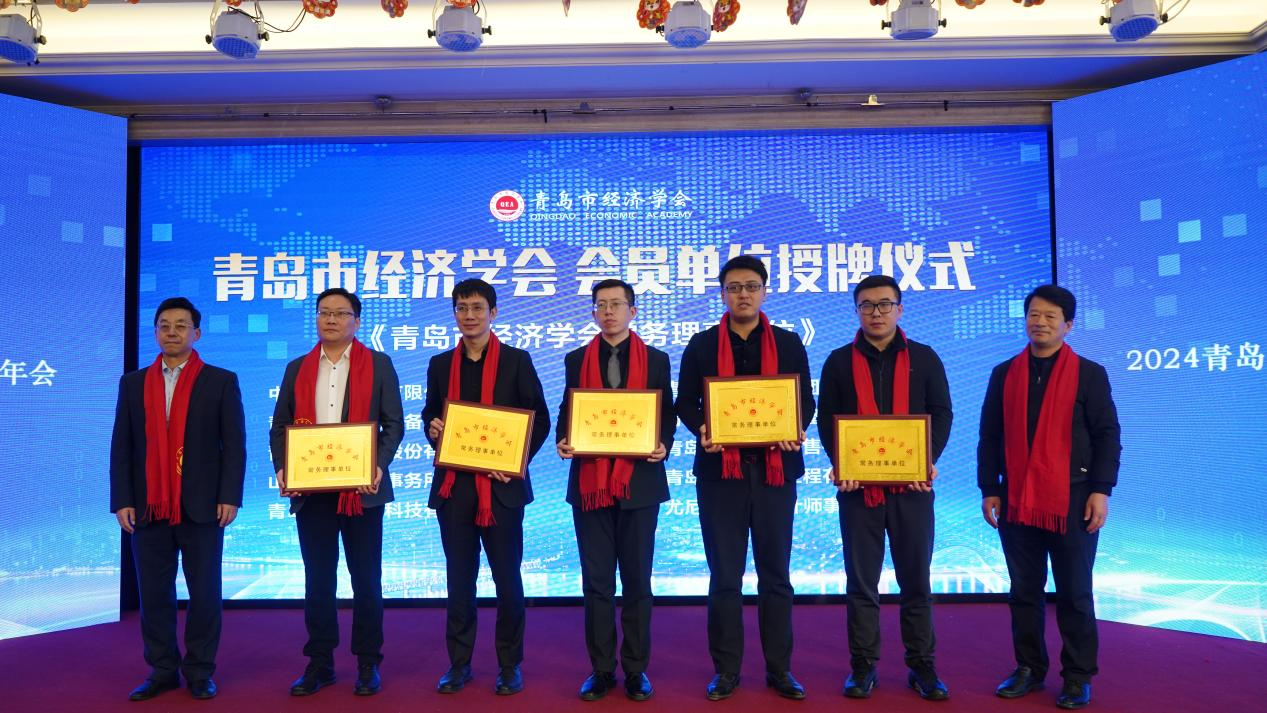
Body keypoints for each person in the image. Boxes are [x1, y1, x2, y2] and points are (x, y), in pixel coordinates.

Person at [675, 255, 815, 701]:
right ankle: (727, 671)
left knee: (776, 575)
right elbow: (685, 401)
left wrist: (794, 427)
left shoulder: (789, 343)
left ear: (764, 292)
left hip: (775, 473)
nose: (743, 295)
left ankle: (780, 670)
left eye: (751, 286)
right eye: (734, 287)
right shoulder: (701, 344)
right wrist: (703, 427)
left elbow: (806, 401)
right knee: (725, 577)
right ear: (722, 294)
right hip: (721, 475)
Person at [977, 284, 1121, 711]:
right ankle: (1028, 668)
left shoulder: (1089, 374)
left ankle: (1077, 677)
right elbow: (990, 435)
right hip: (1017, 498)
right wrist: (990, 488)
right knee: (1024, 590)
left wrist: (1101, 491)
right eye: (1033, 315)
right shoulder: (1004, 373)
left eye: (1050, 316)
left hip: (1073, 500)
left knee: (1074, 592)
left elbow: (1107, 435)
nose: (1039, 322)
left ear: (1068, 325)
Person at [817, 274, 953, 701]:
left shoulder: (924, 358)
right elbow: (827, 419)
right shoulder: (838, 361)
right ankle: (863, 667)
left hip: (912, 489)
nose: (876, 313)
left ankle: (922, 666)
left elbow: (941, 413)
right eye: (867, 305)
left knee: (916, 581)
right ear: (856, 311)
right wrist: (842, 463)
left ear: (900, 308)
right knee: (862, 583)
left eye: (884, 304)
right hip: (858, 491)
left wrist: (925, 459)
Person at [110, 296, 246, 701]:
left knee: (204, 594)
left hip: (202, 505)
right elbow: (122, 446)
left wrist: (230, 496)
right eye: (165, 325)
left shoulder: (220, 381)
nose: (172, 332)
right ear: (155, 332)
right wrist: (122, 499)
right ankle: (162, 670)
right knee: (154, 594)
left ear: (196, 333)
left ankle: (200, 671)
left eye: (181, 325)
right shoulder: (133, 383)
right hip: (148, 505)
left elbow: (233, 445)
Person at [270, 287, 404, 697]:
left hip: (363, 490)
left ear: (356, 322)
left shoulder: (378, 364)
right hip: (313, 493)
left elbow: (394, 424)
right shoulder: (297, 368)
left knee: (366, 580)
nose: (331, 319)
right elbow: (280, 427)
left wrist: (377, 465)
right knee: (318, 580)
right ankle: (320, 662)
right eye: (324, 312)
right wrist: (283, 467)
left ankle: (368, 662)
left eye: (341, 313)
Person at [422, 278, 551, 696]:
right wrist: (433, 428)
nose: (469, 315)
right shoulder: (441, 364)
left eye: (477, 308)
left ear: (493, 313)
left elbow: (540, 419)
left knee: (507, 581)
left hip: (502, 490)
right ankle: (458, 664)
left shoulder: (517, 360)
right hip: (455, 489)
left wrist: (514, 463)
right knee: (459, 581)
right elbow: (431, 415)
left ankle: (509, 665)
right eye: (462, 308)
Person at [555, 279, 676, 702]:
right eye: (600, 305)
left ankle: (636, 670)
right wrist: (564, 438)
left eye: (616, 304)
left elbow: (666, 411)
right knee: (597, 583)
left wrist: (664, 443)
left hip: (640, 483)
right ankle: (602, 669)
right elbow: (569, 408)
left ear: (632, 311)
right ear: (593, 312)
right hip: (590, 484)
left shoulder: (657, 359)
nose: (608, 312)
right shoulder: (576, 359)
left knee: (638, 582)